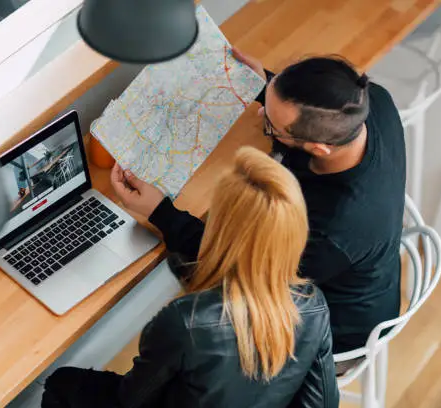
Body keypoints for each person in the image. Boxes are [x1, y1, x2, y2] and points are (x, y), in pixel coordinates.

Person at [110, 50, 407, 369]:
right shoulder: (369, 101)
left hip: (330, 332)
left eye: (271, 126)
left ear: (319, 149)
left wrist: (159, 211)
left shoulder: (332, 231)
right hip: (351, 274)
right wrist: (261, 83)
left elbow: (234, 266)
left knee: (190, 280)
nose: (259, 115)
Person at [42, 147, 339, 408]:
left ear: (221, 232)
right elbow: (324, 402)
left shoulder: (185, 322)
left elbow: (131, 398)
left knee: (62, 382)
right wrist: (161, 212)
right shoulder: (313, 305)